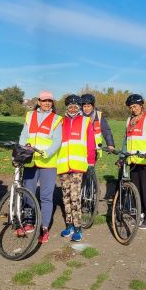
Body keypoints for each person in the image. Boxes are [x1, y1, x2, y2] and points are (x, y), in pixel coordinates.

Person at [18, 90, 63, 244]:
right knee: (28, 193)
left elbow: (57, 141)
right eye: (44, 100)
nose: (47, 103)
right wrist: (23, 148)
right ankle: (29, 221)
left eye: (49, 101)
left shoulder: (57, 119)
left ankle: (44, 228)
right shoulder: (29, 116)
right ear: (38, 101)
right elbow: (24, 135)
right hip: (30, 161)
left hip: (47, 163)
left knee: (45, 196)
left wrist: (47, 153)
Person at [57, 95, 96, 242]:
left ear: (79, 108)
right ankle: (69, 225)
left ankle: (78, 227)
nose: (73, 109)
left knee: (75, 197)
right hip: (63, 165)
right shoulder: (60, 121)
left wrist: (91, 163)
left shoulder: (86, 121)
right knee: (65, 197)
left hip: (78, 166)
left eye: (75, 107)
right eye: (70, 106)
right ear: (66, 107)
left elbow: (90, 143)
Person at [121, 93, 146, 230]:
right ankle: (140, 215)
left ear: (141, 106)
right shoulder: (129, 120)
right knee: (136, 189)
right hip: (133, 160)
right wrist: (122, 156)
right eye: (131, 107)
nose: (133, 109)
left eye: (135, 106)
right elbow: (126, 140)